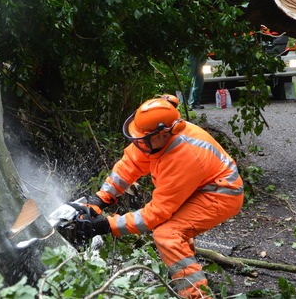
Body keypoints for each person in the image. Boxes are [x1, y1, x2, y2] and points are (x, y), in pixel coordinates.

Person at [72, 95, 244, 298]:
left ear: (163, 134)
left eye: (142, 140)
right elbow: (130, 164)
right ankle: (186, 274)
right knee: (174, 233)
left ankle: (197, 294)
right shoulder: (154, 140)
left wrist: (106, 226)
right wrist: (100, 199)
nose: (138, 144)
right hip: (200, 186)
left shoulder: (182, 156)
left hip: (221, 194)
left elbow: (156, 214)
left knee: (167, 234)